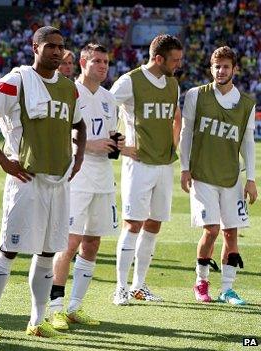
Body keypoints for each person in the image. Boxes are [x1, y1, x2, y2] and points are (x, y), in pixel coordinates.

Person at [0, 26, 86, 341]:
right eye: (49, 46)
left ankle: (37, 319)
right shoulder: (16, 81)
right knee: (8, 249)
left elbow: (79, 124)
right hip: (26, 180)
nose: (56, 52)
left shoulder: (69, 87)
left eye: (60, 47)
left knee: (48, 253)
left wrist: (78, 158)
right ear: (35, 47)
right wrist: (3, 162)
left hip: (58, 182)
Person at [48, 43, 125, 329]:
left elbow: (111, 136)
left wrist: (115, 144)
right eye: (97, 61)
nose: (103, 66)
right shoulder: (68, 91)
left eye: (106, 61)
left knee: (93, 243)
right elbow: (58, 134)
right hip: (77, 177)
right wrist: (88, 144)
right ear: (83, 62)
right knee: (69, 243)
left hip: (103, 179)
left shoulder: (109, 98)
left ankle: (74, 307)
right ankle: (55, 307)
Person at [180, 46, 257, 305]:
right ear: (210, 69)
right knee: (211, 230)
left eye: (226, 66)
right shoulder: (196, 95)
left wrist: (251, 179)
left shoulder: (247, 104)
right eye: (216, 67)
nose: (221, 71)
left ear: (235, 69)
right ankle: (201, 282)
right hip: (202, 175)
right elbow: (186, 134)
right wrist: (184, 168)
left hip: (232, 178)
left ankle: (227, 289)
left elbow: (247, 142)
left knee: (230, 233)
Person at [110, 34, 183, 305]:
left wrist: (173, 143)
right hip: (138, 164)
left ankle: (139, 286)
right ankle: (120, 287)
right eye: (174, 60)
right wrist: (117, 146)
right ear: (158, 58)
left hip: (164, 165)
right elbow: (104, 106)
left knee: (154, 223)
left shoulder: (173, 84)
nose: (178, 65)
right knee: (133, 223)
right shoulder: (130, 81)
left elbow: (175, 117)